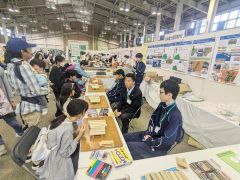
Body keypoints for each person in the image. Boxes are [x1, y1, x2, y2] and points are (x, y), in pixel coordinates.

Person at [124, 79, 183, 160]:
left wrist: (150, 140)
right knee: (124, 137)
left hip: (158, 147)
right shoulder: (162, 104)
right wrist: (148, 133)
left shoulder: (175, 115)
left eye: (161, 92)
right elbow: (152, 120)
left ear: (169, 95)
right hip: (151, 135)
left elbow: (166, 142)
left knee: (128, 147)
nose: (159, 94)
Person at [37, 99, 89, 180]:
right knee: (84, 160)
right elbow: (65, 153)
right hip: (56, 157)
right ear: (79, 114)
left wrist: (77, 131)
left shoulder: (63, 117)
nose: (85, 114)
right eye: (84, 112)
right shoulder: (68, 129)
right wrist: (79, 135)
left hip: (54, 149)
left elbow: (65, 137)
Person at [4, 38, 48, 127]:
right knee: (35, 133)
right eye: (29, 49)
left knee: (32, 130)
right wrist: (47, 89)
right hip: (32, 107)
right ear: (22, 51)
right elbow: (36, 91)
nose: (31, 52)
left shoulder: (10, 65)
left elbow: (15, 89)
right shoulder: (23, 66)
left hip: (25, 105)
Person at [0, 66, 24, 156]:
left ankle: (21, 133)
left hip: (3, 101)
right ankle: (0, 144)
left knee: (12, 121)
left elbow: (6, 85)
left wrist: (11, 99)